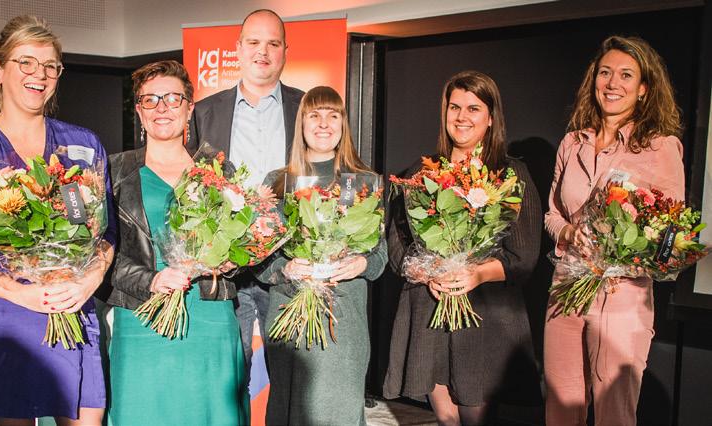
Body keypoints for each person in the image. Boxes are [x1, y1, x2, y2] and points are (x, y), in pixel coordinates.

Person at [0, 15, 115, 426]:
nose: (40, 74)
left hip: (71, 309)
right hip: (4, 318)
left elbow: (105, 232)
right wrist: (20, 293)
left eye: (50, 66)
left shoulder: (83, 145)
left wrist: (88, 282)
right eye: (26, 63)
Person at [383, 71, 542, 426]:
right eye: (454, 107)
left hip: (483, 317)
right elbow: (397, 244)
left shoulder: (510, 175)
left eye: (473, 108)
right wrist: (426, 273)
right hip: (430, 310)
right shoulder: (422, 172)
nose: (461, 117)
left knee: (475, 419)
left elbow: (525, 257)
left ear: (491, 118)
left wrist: (477, 274)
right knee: (446, 419)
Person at [543, 36, 684, 425]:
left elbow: (670, 233)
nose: (612, 83)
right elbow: (552, 214)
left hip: (621, 297)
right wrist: (567, 232)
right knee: (560, 409)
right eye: (605, 73)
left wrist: (625, 256)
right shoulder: (572, 142)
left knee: (613, 416)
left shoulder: (660, 147)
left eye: (626, 75)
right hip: (566, 288)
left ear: (644, 89)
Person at [107, 60, 248, 425]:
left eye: (172, 98)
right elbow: (100, 254)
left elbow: (243, 241)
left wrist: (232, 260)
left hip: (209, 316)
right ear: (139, 112)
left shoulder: (219, 170)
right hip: (141, 320)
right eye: (150, 100)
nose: (162, 108)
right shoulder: (115, 171)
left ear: (189, 107)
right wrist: (150, 280)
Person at [255, 86, 388, 425]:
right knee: (291, 411)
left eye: (333, 115)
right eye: (314, 115)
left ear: (343, 124)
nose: (324, 124)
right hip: (290, 316)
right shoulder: (279, 182)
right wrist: (286, 268)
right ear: (301, 123)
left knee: (337, 411)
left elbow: (380, 257)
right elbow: (259, 259)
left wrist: (361, 263)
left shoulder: (362, 181)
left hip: (343, 321)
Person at [190, 8, 305, 370]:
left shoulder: (307, 109)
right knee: (227, 374)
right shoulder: (203, 112)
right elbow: (190, 189)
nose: (263, 52)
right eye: (254, 42)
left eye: (273, 43)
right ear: (238, 48)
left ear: (285, 51)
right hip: (226, 269)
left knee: (291, 377)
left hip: (289, 265)